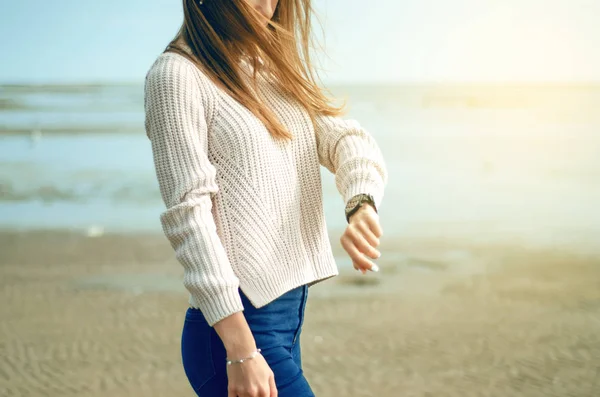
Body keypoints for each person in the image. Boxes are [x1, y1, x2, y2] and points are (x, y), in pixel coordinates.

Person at [143, 0, 388, 396]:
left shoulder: (264, 65)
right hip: (235, 334)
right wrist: (241, 351)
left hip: (285, 323)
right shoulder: (176, 76)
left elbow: (345, 138)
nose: (267, 3)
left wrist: (360, 203)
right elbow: (190, 218)